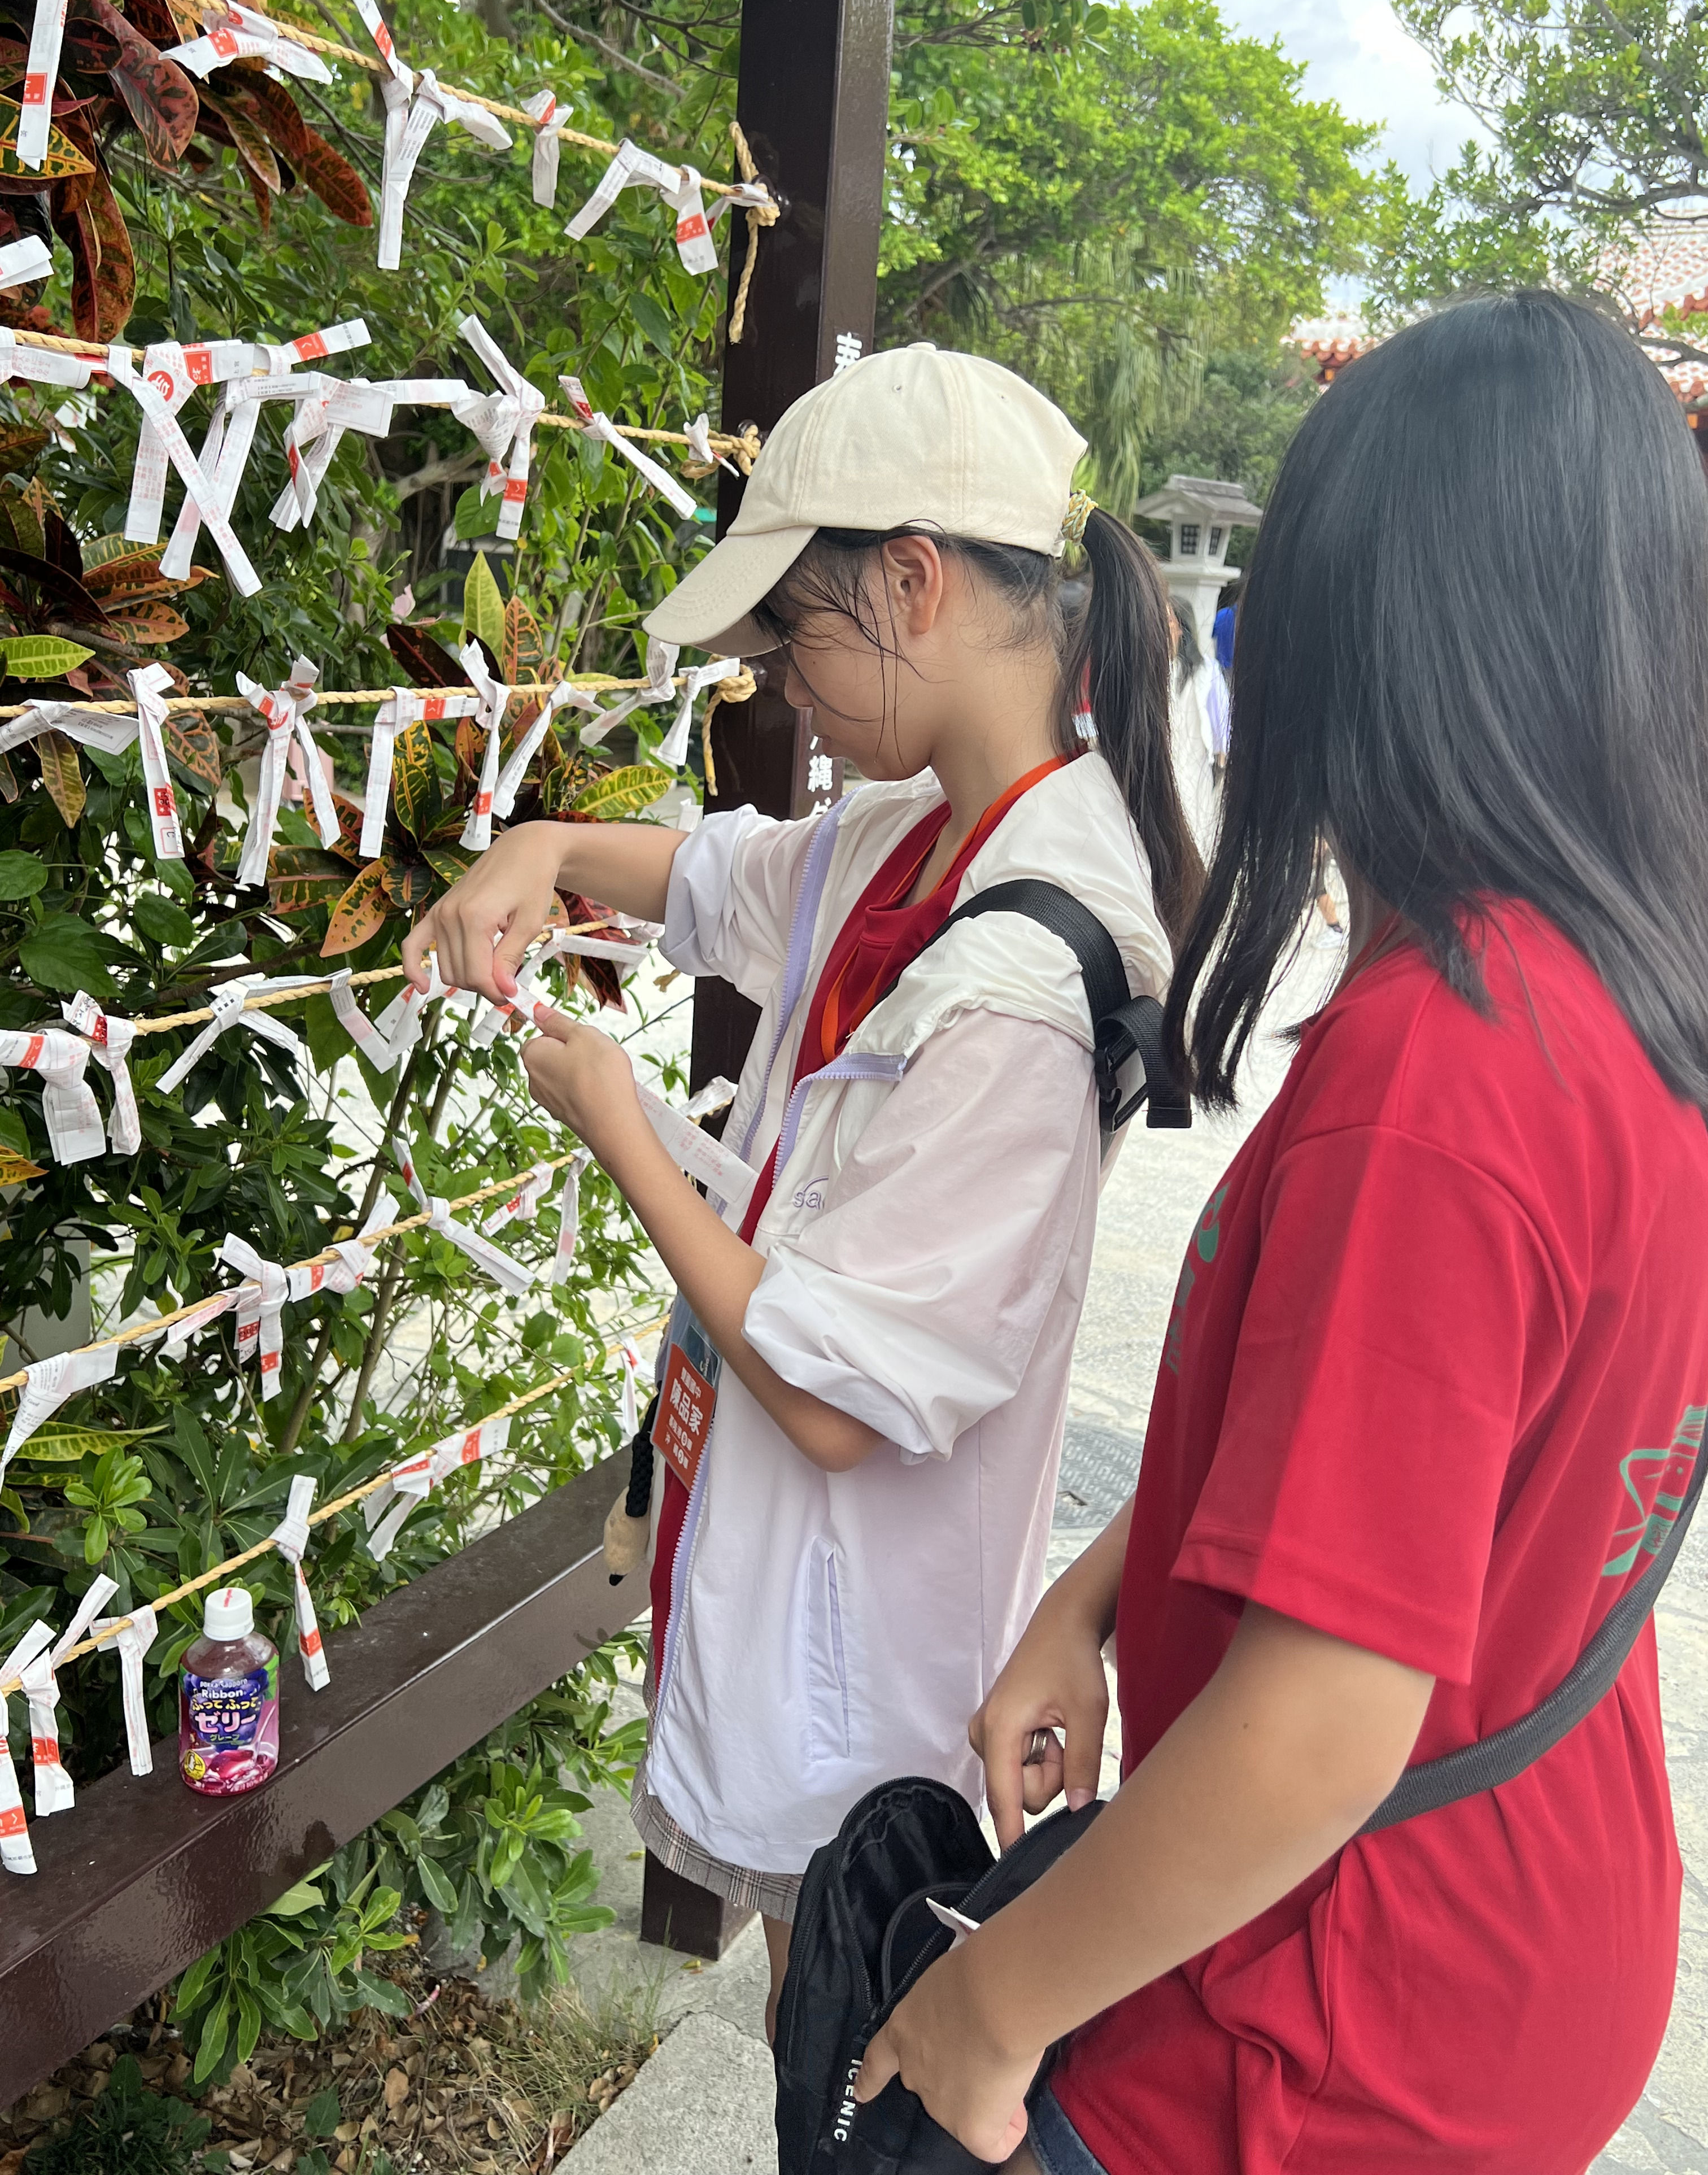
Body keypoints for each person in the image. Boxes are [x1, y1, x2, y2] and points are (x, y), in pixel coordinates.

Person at [852, 293, 1708, 2172]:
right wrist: (1095, 1595)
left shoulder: (1440, 1077)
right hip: (1532, 1918)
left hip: (1329, 2031)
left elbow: (1318, 1730)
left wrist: (988, 2009)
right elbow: (1440, 1486)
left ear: (1356, 636)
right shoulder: (1627, 1004)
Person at [402, 344, 1202, 2032]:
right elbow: (705, 877)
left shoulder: (1029, 977)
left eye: (794, 634)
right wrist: (540, 850)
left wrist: (626, 1135)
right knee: (809, 2009)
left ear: (912, 584)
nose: (781, 685)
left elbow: (846, 1402)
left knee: (848, 2023)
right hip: (770, 1568)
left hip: (866, 1626)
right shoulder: (911, 829)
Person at [1166, 595, 1226, 857]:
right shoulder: (1154, 670)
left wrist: (1222, 751)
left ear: (1180, 627)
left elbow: (1221, 716)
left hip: (1195, 763)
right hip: (1165, 763)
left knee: (1194, 825)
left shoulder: (1207, 671)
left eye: (1165, 619)